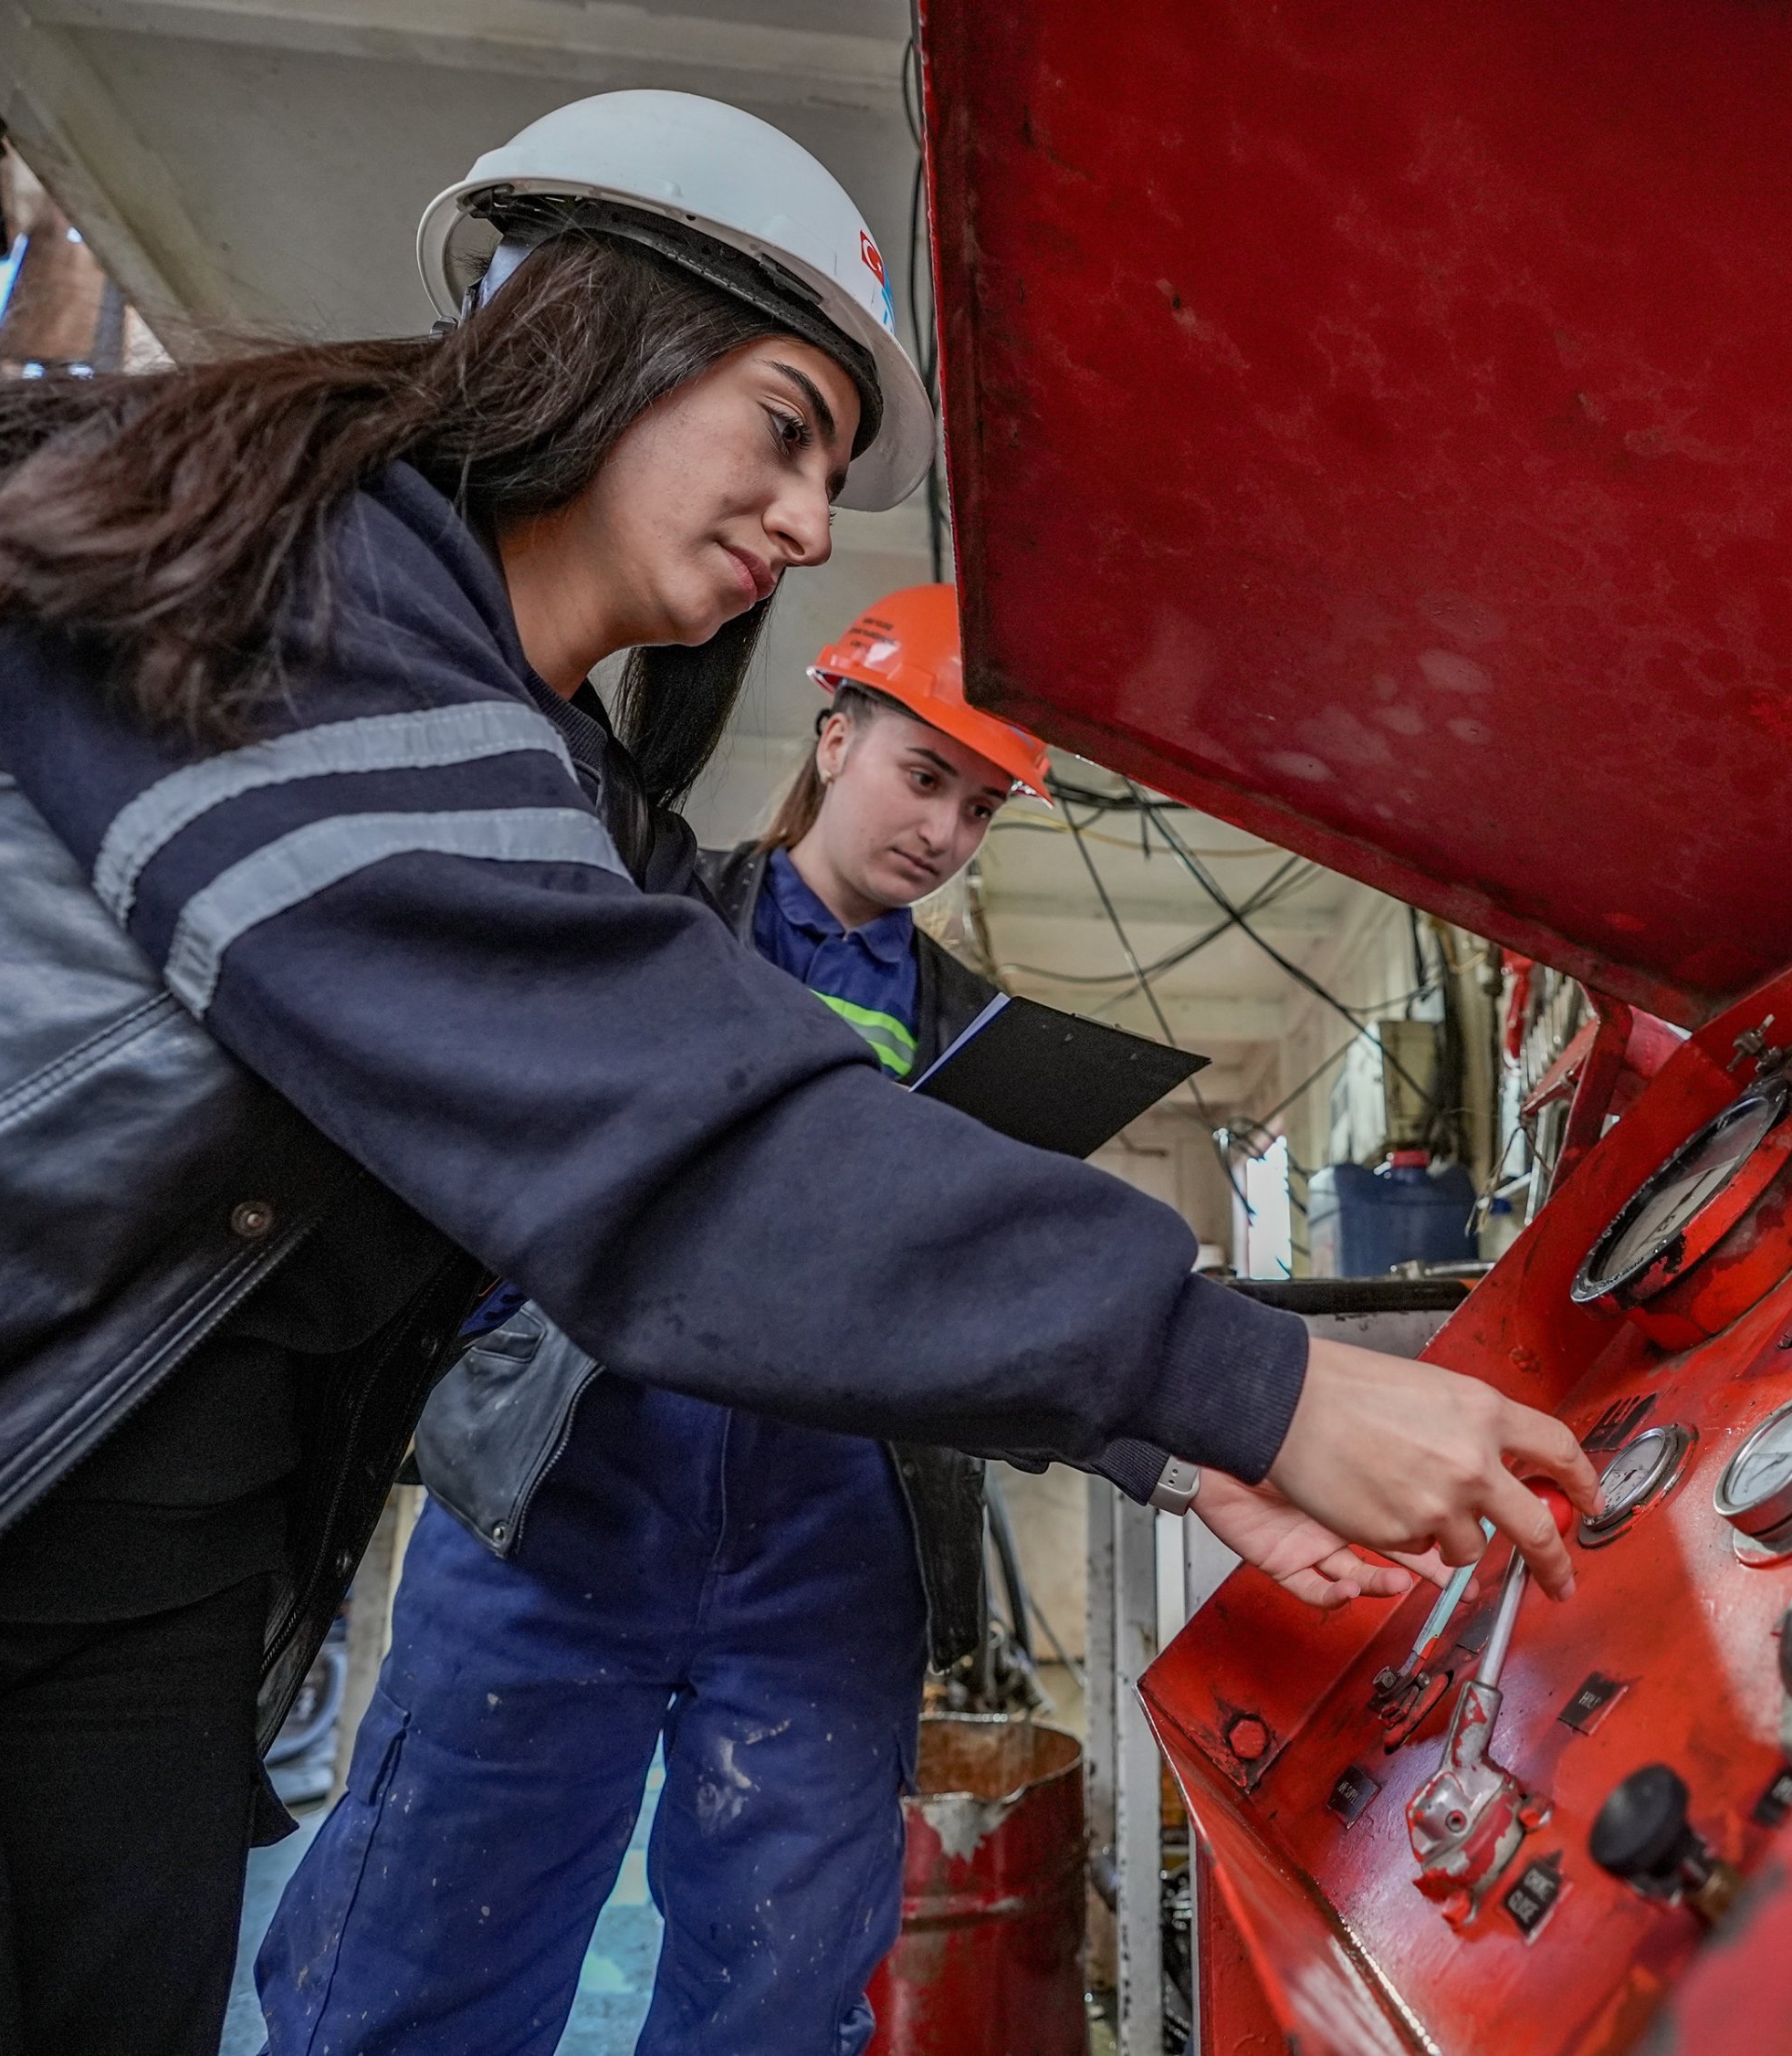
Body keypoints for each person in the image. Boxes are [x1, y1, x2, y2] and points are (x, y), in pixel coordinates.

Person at [0, 89, 1591, 2056]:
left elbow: (755, 1148)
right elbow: (683, 1143)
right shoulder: (268, 575)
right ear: (601, 326)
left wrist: (1179, 1452)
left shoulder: (575, 810)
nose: (810, 523)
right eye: (784, 424)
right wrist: (1258, 1386)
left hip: (154, 1564)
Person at [258, 586, 1414, 2053]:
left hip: (824, 1560)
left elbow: (1003, 1312)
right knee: (426, 1956)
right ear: (833, 736)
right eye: (922, 775)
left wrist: (1191, 1461)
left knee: (782, 1992)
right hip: (568, 1514)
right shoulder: (653, 923)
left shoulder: (974, 1036)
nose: (942, 830)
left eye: (979, 808)